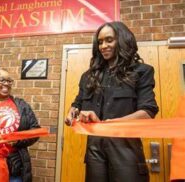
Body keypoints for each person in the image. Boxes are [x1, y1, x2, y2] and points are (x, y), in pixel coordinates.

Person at [65, 21, 159, 182]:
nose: (103, 46)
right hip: (94, 153)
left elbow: (147, 112)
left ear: (122, 40)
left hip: (126, 152)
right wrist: (72, 113)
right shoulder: (88, 76)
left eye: (109, 40)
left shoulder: (141, 72)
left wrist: (107, 124)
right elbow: (77, 104)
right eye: (100, 42)